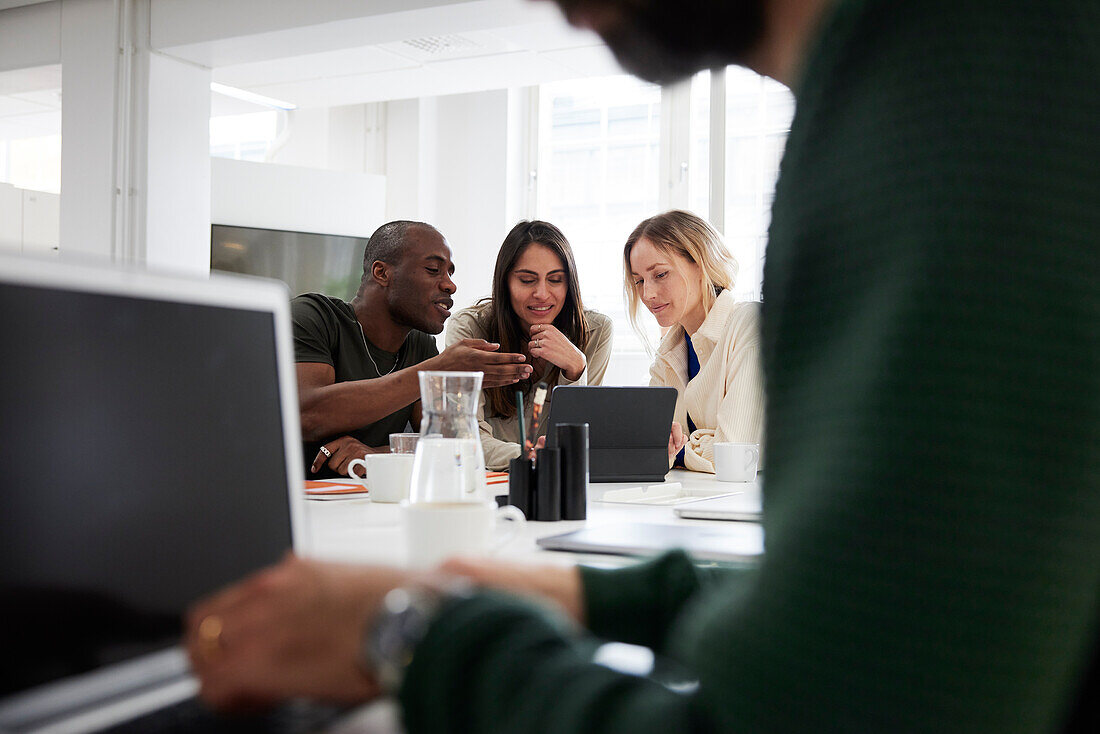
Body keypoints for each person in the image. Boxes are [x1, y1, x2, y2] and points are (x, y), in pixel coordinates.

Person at [187, 1, 1100, 732]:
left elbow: (834, 707)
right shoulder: (907, 73)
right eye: (640, 278)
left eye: (660, 273)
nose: (566, 12)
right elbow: (875, 596)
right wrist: (565, 586)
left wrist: (409, 632)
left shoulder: (952, 76)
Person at [293, 220, 532, 478]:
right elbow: (307, 414)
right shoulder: (313, 316)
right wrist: (438, 370)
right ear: (382, 273)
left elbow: (448, 446)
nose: (450, 285)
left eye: (450, 273)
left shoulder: (420, 345)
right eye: (433, 269)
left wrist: (376, 455)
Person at [445, 220, 613, 469]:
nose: (542, 294)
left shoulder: (596, 331)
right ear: (505, 283)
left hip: (557, 483)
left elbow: (579, 440)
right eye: (527, 280)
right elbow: (462, 436)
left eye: (555, 280)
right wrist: (530, 454)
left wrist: (576, 369)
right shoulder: (469, 328)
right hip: (484, 481)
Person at [626, 210, 764, 472]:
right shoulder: (669, 350)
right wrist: (705, 443)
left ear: (701, 263)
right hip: (692, 498)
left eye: (660, 274)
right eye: (639, 281)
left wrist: (678, 452)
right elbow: (647, 448)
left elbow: (737, 454)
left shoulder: (750, 325)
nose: (648, 294)